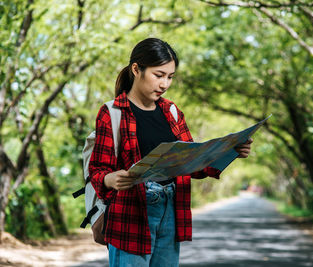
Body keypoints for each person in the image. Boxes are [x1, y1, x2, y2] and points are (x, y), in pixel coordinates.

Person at [89, 37, 253, 267]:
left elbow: (193, 162)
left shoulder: (172, 112)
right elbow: (97, 169)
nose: (165, 84)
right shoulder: (113, 112)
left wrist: (231, 150)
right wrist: (111, 179)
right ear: (136, 69)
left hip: (171, 208)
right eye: (159, 75)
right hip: (131, 212)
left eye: (170, 77)